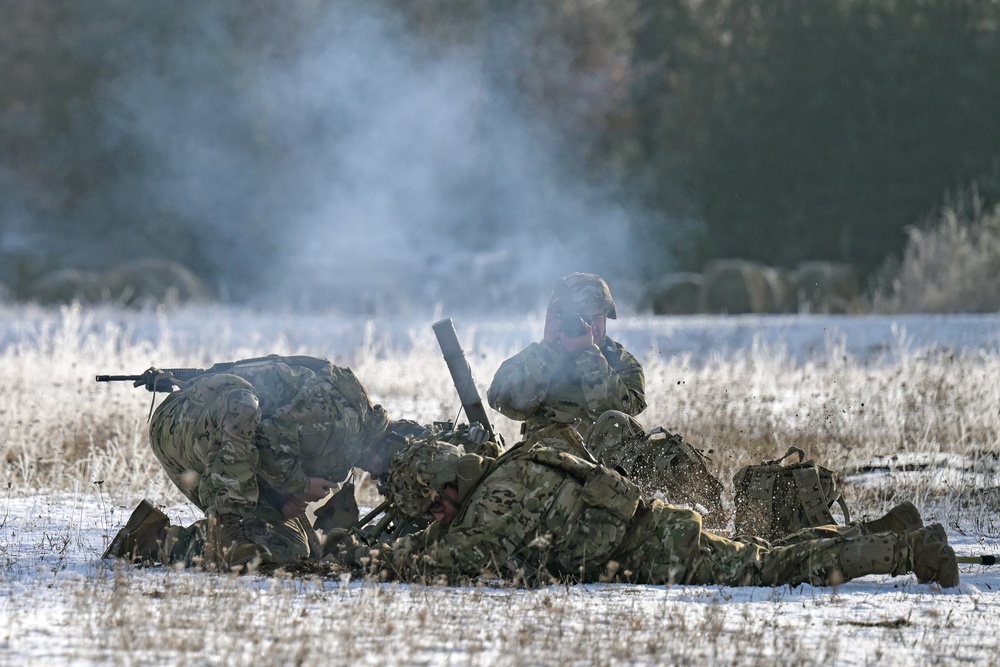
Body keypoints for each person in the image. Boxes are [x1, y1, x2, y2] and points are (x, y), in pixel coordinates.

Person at [331, 430, 959, 589]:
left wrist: (373, 554)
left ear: (443, 494)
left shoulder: (491, 506)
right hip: (656, 523)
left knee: (770, 572)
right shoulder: (523, 458)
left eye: (433, 509)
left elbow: (458, 560)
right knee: (765, 555)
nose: (436, 518)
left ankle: (905, 552)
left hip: (651, 553)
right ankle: (881, 529)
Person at [103, 354, 404, 569]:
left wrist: (285, 496)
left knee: (292, 549)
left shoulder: (348, 441)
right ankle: (228, 531)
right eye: (385, 471)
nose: (378, 480)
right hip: (188, 423)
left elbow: (266, 449)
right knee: (243, 406)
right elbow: (267, 438)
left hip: (219, 447)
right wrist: (298, 484)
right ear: (384, 444)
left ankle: (152, 539)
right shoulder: (342, 418)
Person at [487, 273, 646, 446]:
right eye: (581, 318)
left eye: (597, 318)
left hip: (604, 467)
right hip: (545, 464)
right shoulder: (536, 356)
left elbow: (623, 413)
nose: (590, 326)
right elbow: (510, 406)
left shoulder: (622, 362)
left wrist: (588, 355)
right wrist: (547, 351)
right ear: (559, 319)